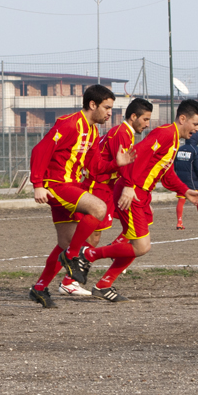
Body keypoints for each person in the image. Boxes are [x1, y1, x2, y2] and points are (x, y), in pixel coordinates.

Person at [81, 99, 198, 302]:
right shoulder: (165, 134)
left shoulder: (174, 139)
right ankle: (87, 255)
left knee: (135, 242)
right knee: (141, 246)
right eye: (196, 124)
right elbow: (135, 155)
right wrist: (129, 186)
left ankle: (104, 284)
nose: (197, 129)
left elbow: (166, 174)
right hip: (133, 192)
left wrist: (185, 190)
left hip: (141, 194)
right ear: (183, 119)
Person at [54, 97, 152, 298]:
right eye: (145, 119)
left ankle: (74, 275)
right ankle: (70, 280)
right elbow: (120, 164)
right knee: (90, 235)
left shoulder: (125, 133)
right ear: (133, 117)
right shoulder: (122, 132)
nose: (147, 124)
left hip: (106, 186)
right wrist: (129, 186)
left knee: (96, 235)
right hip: (98, 185)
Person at [27, 85, 115, 308]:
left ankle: (39, 288)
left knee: (63, 243)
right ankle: (73, 256)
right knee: (98, 208)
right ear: (92, 105)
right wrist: (38, 184)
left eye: (111, 108)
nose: (110, 112)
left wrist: (118, 164)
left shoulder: (93, 131)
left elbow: (94, 167)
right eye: (107, 107)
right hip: (57, 184)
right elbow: (40, 150)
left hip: (70, 186)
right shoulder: (69, 124)